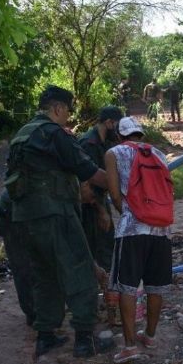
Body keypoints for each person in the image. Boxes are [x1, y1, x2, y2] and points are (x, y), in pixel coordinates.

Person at [5, 85, 115, 358]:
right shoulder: (54, 134)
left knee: (45, 275)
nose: (68, 117)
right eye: (67, 111)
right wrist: (124, 186)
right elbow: (91, 173)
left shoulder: (22, 135)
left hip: (23, 218)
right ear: (57, 108)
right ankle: (84, 340)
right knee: (78, 270)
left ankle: (45, 336)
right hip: (55, 213)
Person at [104, 116, 173, 364]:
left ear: (119, 135)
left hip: (132, 230)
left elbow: (114, 193)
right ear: (140, 134)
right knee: (156, 286)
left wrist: (127, 214)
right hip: (162, 230)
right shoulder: (158, 154)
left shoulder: (114, 153)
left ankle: (130, 345)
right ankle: (151, 336)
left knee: (127, 287)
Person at [78, 106, 124, 325]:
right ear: (109, 123)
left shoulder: (101, 142)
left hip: (98, 203)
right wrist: (102, 211)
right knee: (101, 254)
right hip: (91, 207)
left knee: (104, 252)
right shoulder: (89, 144)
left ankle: (104, 306)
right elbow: (86, 186)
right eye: (118, 125)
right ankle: (105, 310)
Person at [0, 189, 35, 327]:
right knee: (23, 266)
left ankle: (34, 313)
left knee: (24, 265)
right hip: (11, 212)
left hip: (14, 208)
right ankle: (33, 314)